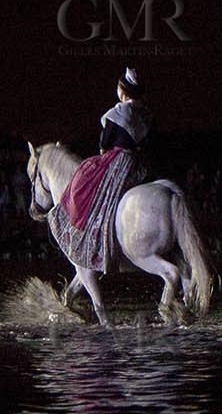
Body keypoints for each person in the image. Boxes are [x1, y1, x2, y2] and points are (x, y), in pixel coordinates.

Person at [49, 67, 152, 271]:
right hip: (137, 161)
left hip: (117, 158)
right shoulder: (144, 114)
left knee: (86, 177)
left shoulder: (117, 112)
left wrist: (103, 152)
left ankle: (88, 232)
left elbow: (105, 141)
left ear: (123, 91)